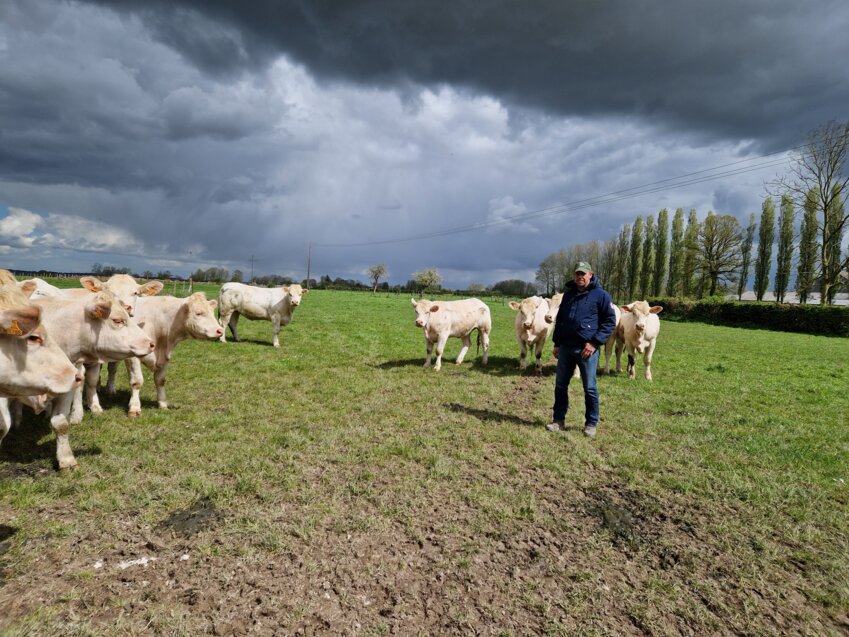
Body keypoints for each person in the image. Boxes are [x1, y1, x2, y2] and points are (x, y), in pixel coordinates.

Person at [547, 262, 617, 438]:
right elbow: (561, 321)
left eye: (583, 274)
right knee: (561, 385)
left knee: (590, 387)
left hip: (587, 350)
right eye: (577, 274)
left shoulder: (601, 296)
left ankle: (591, 423)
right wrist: (557, 343)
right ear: (574, 275)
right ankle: (558, 420)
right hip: (566, 348)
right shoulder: (568, 295)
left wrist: (594, 343)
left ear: (590, 275)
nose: (580, 277)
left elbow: (609, 322)